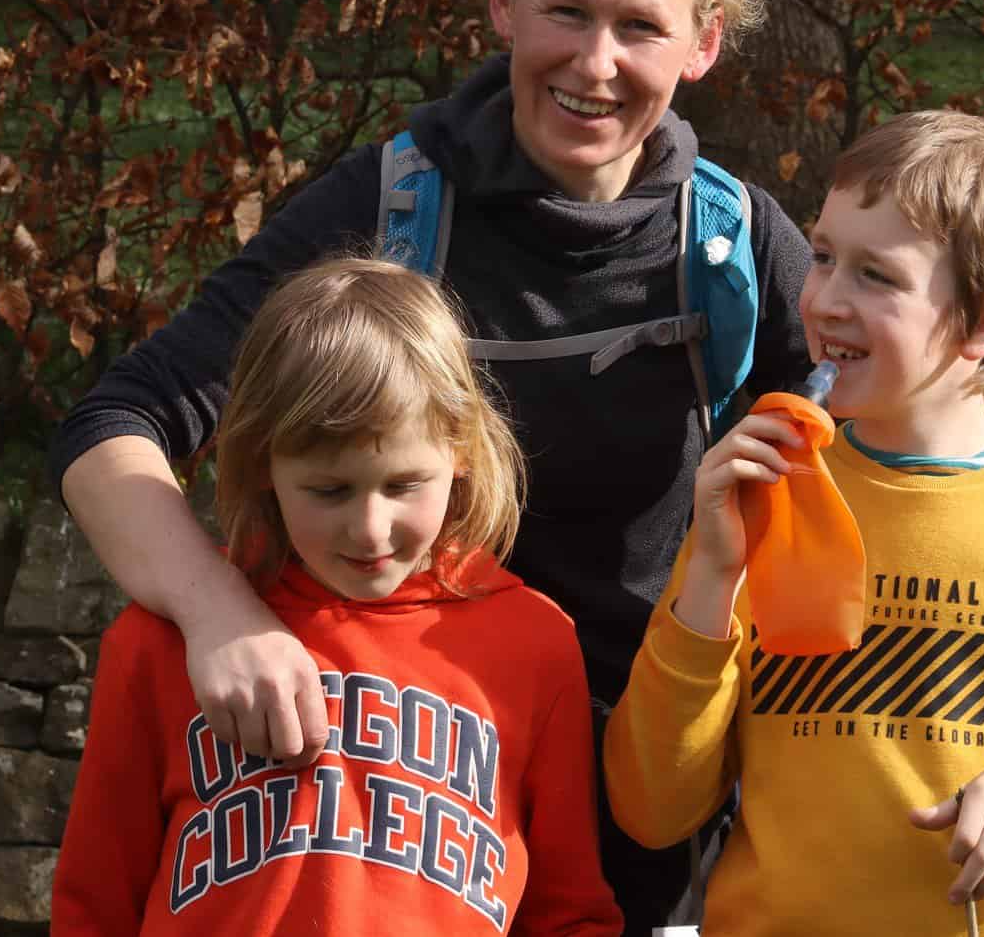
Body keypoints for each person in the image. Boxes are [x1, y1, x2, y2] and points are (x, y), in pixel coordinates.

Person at [49, 0, 813, 931]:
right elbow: (113, 424)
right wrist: (219, 616)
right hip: (368, 800)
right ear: (502, 3)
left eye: (639, 26)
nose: (595, 62)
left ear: (702, 43)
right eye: (565, 11)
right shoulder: (388, 210)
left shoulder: (735, 246)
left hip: (643, 811)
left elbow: (883, 473)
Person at [603, 111, 984, 935]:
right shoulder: (765, 486)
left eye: (876, 276)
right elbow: (651, 806)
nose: (822, 299)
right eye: (821, 256)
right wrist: (713, 575)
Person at [52, 258, 623, 935]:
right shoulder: (158, 643)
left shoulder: (534, 644)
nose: (370, 527)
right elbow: (94, 905)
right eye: (330, 490)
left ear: (462, 447)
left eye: (404, 483)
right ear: (264, 461)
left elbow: (568, 914)